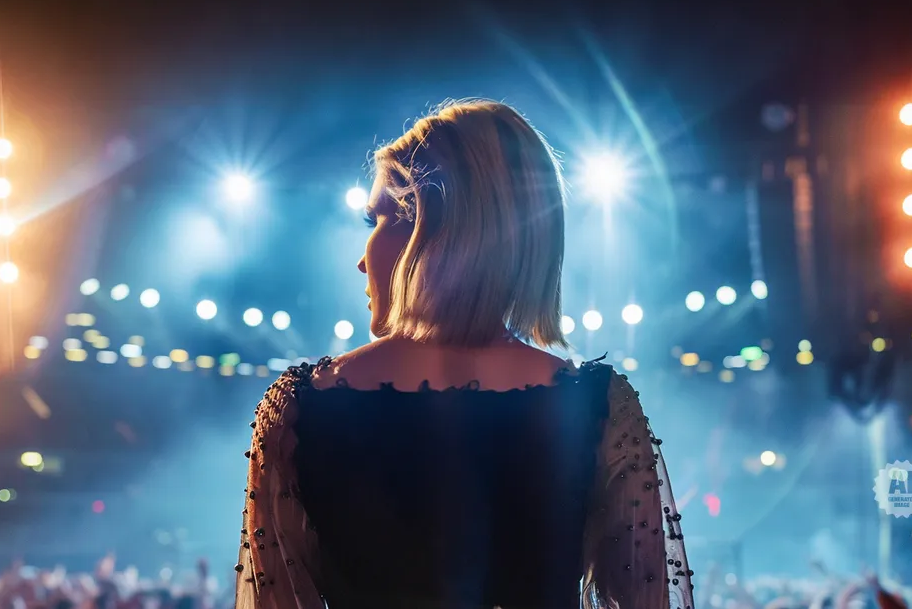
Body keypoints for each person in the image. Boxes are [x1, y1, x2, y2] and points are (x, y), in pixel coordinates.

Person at [233, 99, 694, 609]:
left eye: (379, 222)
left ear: (433, 230)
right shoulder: (602, 405)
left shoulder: (298, 407)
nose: (362, 261)